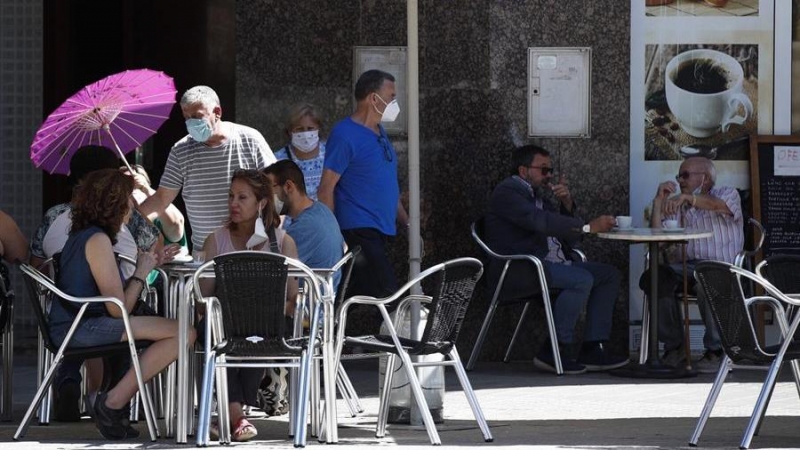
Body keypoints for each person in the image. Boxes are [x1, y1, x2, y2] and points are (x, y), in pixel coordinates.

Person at [29, 145, 175, 422]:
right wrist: (141, 271)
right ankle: (117, 395)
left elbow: (36, 266)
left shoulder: (53, 216)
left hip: (63, 312)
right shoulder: (104, 232)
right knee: (165, 326)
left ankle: (69, 377)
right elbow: (153, 247)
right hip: (101, 313)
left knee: (79, 299)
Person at [49, 169, 194, 439]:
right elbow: (118, 310)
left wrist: (150, 262)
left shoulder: (86, 234)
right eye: (128, 198)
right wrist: (141, 272)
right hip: (82, 328)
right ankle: (112, 402)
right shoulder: (98, 240)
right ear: (114, 203)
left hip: (77, 322)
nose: (133, 205)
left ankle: (113, 401)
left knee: (181, 330)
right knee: (185, 332)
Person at [484, 144, 629, 375]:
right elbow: (538, 221)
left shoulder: (538, 195)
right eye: (543, 170)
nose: (549, 175)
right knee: (580, 279)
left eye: (550, 170)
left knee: (608, 275)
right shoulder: (508, 192)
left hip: (553, 264)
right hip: (522, 269)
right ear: (523, 170)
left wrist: (567, 203)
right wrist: (587, 227)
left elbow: (570, 240)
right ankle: (555, 349)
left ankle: (593, 346)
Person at [200, 169, 299, 442]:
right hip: (225, 325)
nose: (234, 203)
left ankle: (229, 416)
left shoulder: (281, 243)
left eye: (243, 197)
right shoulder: (217, 239)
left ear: (262, 203)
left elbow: (294, 298)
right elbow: (204, 297)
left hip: (268, 326)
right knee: (212, 329)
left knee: (257, 333)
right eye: (231, 196)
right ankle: (236, 415)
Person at [137, 85, 276, 251]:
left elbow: (275, 189)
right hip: (205, 256)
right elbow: (161, 199)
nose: (191, 123)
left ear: (217, 112)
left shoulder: (250, 140)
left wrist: (274, 239)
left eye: (197, 116)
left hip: (250, 251)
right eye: (186, 118)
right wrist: (130, 224)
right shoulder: (181, 150)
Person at [318, 70, 409, 300]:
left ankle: (332, 330)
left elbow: (387, 185)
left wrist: (407, 222)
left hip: (383, 229)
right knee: (387, 292)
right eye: (391, 96)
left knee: (353, 292)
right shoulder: (345, 134)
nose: (394, 103)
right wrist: (334, 236)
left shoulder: (380, 132)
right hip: (358, 230)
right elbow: (326, 188)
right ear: (373, 98)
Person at [647, 156, 743, 373]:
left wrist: (688, 198)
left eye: (686, 175)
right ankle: (675, 347)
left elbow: (720, 207)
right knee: (654, 276)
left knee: (706, 277)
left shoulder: (728, 193)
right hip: (688, 266)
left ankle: (716, 350)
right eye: (679, 176)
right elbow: (659, 239)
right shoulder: (680, 206)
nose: (680, 180)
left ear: (705, 177)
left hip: (723, 268)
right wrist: (658, 202)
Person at [263, 160, 344, 288]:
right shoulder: (320, 209)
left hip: (307, 304)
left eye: (267, 192)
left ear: (288, 187)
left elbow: (271, 275)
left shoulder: (305, 227)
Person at [128, 164, 188, 257]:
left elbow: (176, 225)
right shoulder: (116, 220)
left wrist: (147, 189)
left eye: (134, 186)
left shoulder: (159, 217)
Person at [274, 103, 326, 201]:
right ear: (290, 131)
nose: (305, 134)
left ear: (318, 129)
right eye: (299, 129)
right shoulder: (277, 161)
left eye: (310, 128)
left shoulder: (331, 155)